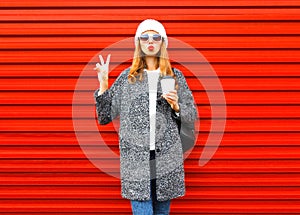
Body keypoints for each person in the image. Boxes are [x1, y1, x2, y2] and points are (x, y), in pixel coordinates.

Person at [93, 19, 197, 215]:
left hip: (166, 159)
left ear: (162, 43)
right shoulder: (127, 77)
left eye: (156, 37)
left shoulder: (175, 76)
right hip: (136, 159)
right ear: (139, 43)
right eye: (145, 37)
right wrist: (104, 85)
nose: (150, 41)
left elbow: (192, 114)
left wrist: (176, 106)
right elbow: (105, 117)